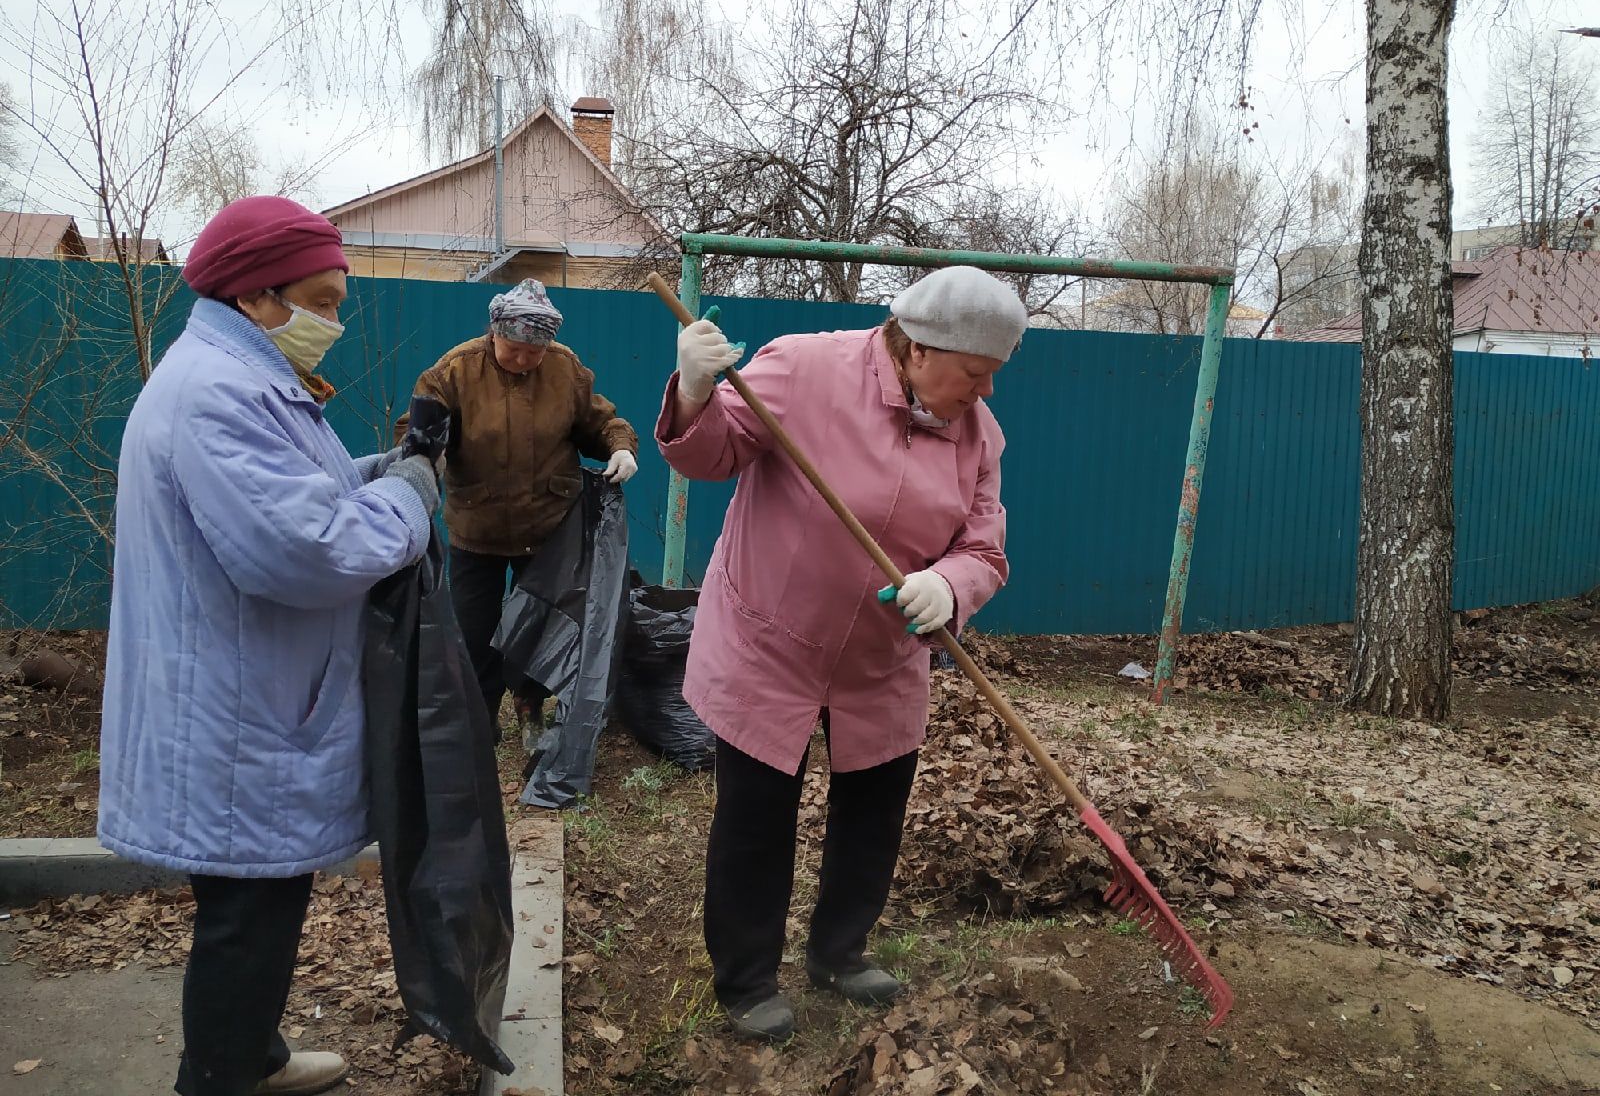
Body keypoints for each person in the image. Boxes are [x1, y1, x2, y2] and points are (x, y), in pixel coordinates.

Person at [98, 196, 441, 1096]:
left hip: (241, 697)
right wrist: (408, 498)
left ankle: (253, 1056)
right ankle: (217, 1078)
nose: (333, 320)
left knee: (257, 902)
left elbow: (298, 493)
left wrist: (381, 468)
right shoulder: (220, 393)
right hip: (236, 713)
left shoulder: (238, 377)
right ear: (258, 296)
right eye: (321, 301)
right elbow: (309, 550)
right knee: (248, 916)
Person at [657, 265, 1025, 1043]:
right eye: (975, 374)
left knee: (872, 816)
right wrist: (693, 391)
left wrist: (949, 587)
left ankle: (839, 952)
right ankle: (748, 977)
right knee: (757, 817)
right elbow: (710, 454)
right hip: (770, 641)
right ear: (920, 349)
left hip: (881, 658)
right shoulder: (805, 368)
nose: (985, 393)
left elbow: (984, 547)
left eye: (995, 376)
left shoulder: (977, 436)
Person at [399, 279, 639, 741]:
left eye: (536, 352)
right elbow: (414, 426)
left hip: (547, 527)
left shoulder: (565, 369)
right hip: (477, 526)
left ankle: (531, 707)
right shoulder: (456, 370)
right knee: (475, 632)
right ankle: (479, 718)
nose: (526, 360)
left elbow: (602, 421)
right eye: (515, 349)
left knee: (539, 630)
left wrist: (620, 446)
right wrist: (425, 455)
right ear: (495, 333)